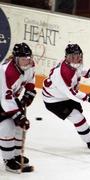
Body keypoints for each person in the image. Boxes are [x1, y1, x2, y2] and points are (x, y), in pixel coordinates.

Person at [42, 44, 90, 153]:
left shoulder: (72, 64)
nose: (76, 59)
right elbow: (71, 93)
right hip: (54, 101)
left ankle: (87, 133)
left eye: (77, 56)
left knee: (79, 113)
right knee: (78, 117)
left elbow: (79, 71)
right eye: (72, 57)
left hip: (64, 96)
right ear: (66, 57)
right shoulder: (62, 72)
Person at [0, 42, 36, 173]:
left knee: (21, 126)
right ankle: (8, 161)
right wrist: (16, 115)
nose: (27, 61)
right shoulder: (5, 71)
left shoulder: (30, 65)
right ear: (15, 59)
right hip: (2, 99)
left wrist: (30, 92)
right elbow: (5, 98)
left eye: (28, 58)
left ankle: (16, 155)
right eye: (23, 59)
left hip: (10, 98)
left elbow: (31, 79)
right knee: (7, 127)